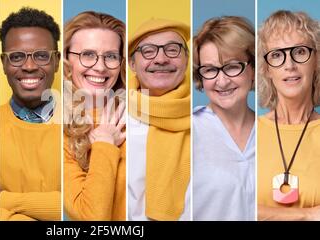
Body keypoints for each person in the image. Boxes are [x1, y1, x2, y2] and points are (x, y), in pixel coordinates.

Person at [0, 7, 61, 221]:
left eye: (41, 56)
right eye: (17, 57)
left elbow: (87, 209)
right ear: (3, 63)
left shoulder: (87, 123)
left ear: (57, 61)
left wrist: (4, 200)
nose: (29, 66)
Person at [257, 10, 320, 221]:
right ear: (266, 68)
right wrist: (308, 215)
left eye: (300, 52)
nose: (289, 65)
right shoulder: (246, 133)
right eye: (276, 54)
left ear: (317, 60)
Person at [63, 11, 126, 221]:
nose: (100, 67)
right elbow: (90, 217)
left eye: (111, 56)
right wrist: (106, 143)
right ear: (66, 59)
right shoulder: (55, 128)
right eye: (87, 55)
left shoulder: (138, 114)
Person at [192, 16, 256, 221]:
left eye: (232, 66)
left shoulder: (275, 131)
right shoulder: (187, 130)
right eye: (210, 69)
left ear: (253, 69)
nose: (222, 80)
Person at [128, 18, 191, 220]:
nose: (161, 59)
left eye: (172, 49)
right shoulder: (110, 118)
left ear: (187, 59)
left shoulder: (211, 120)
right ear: (132, 64)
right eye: (148, 51)